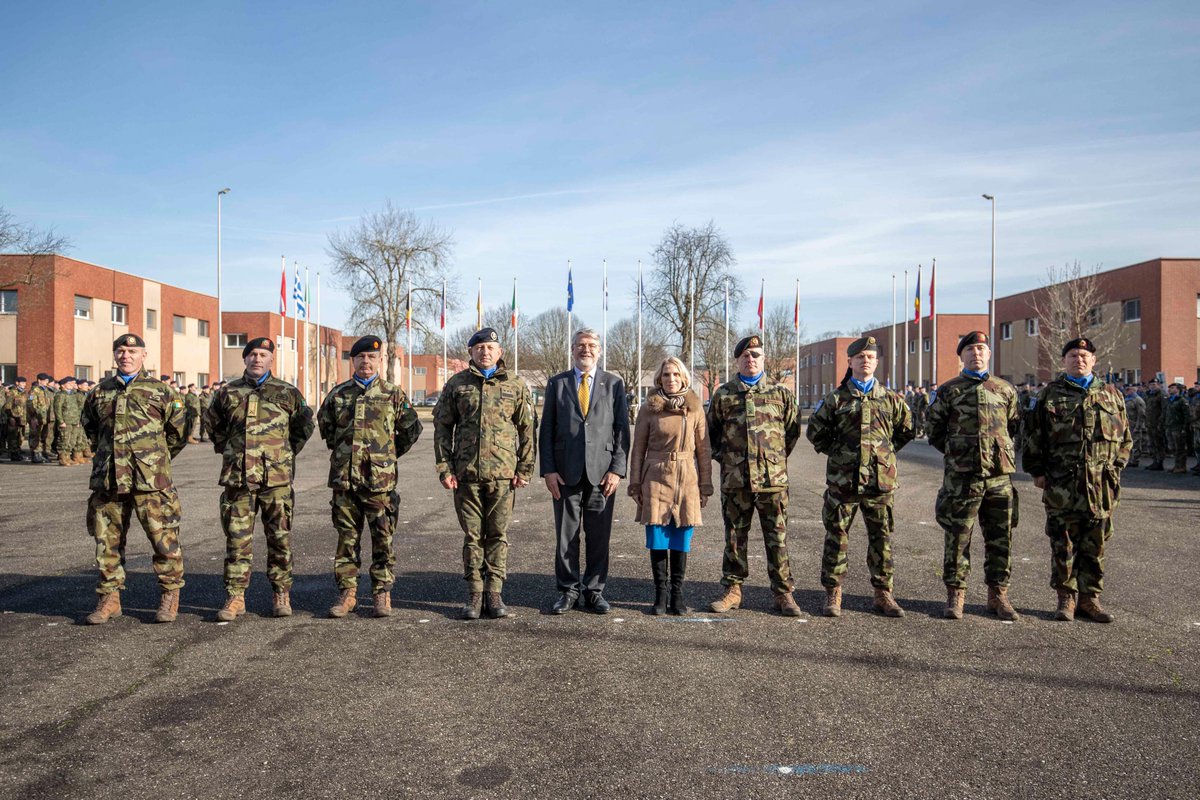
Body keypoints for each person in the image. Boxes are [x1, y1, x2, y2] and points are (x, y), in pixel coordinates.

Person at [82, 334, 189, 624]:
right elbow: (91, 429)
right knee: (107, 542)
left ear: (144, 355)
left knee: (163, 540)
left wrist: (154, 461)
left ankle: (169, 594)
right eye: (120, 350)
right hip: (109, 480)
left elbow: (177, 434)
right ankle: (109, 598)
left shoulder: (161, 391)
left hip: (150, 482)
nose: (125, 355)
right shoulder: (99, 392)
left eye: (132, 350)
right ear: (115, 355)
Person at [205, 337, 314, 621]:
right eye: (252, 354)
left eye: (263, 354)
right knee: (237, 540)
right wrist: (230, 451)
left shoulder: (287, 392)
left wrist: (284, 454)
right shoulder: (227, 393)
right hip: (238, 478)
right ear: (245, 359)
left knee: (279, 538)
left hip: (275, 480)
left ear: (271, 359)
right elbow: (214, 427)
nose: (257, 358)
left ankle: (281, 593)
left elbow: (303, 427)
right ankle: (235, 596)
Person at [1023, 337, 1131, 623]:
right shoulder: (1050, 395)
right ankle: (1066, 599)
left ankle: (1090, 599)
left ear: (1094, 360)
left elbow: (1126, 440)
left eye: (1084, 355)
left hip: (1101, 487)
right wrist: (1038, 472)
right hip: (1063, 485)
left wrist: (1115, 469)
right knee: (1064, 544)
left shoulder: (1111, 395)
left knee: (1095, 545)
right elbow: (1033, 436)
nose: (1079, 359)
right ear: (1064, 361)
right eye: (1073, 355)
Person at [807, 336, 914, 618]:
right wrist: (840, 455)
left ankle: (883, 593)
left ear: (876, 362)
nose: (865, 361)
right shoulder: (835, 399)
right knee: (837, 537)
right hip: (844, 484)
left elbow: (906, 430)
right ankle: (833, 593)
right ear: (850, 362)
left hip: (880, 483)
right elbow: (815, 433)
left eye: (870, 357)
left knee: (881, 538)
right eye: (860, 357)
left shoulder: (891, 399)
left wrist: (885, 455)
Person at [433, 328, 535, 620]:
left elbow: (527, 430)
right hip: (466, 474)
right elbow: (442, 428)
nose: (485, 352)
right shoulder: (457, 384)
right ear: (471, 353)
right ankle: (475, 594)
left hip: (503, 475)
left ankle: (495, 592)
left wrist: (525, 468)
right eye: (479, 347)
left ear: (500, 351)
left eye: (490, 347)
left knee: (498, 534)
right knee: (473, 536)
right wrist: (444, 468)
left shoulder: (515, 384)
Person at [317, 335, 422, 619]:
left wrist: (387, 456)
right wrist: (344, 454)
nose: (366, 361)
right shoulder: (338, 395)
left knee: (383, 540)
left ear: (380, 361)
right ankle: (347, 593)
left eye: (372, 357)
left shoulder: (393, 394)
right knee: (346, 540)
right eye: (361, 357)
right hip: (344, 481)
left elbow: (412, 430)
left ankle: (381, 594)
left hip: (380, 484)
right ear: (353, 361)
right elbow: (326, 428)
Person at [926, 332, 1020, 621]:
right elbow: (935, 431)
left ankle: (998, 595)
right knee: (957, 538)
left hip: (998, 477)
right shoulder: (949, 390)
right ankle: (956, 595)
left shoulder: (1005, 390)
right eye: (969, 349)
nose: (975, 353)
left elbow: (1013, 426)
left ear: (989, 354)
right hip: (962, 477)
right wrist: (960, 453)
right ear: (961, 356)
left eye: (981, 348)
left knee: (1000, 538)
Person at [707, 335, 803, 617]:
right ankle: (733, 590)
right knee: (735, 537)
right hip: (736, 481)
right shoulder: (724, 395)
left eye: (756, 355)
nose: (751, 359)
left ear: (764, 359)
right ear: (737, 360)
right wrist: (727, 461)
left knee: (777, 537)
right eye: (746, 356)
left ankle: (783, 593)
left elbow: (792, 432)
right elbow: (710, 436)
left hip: (773, 481)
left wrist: (773, 461)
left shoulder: (780, 393)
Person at [539, 328, 630, 615]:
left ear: (599, 351)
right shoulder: (557, 384)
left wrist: (617, 470)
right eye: (580, 345)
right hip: (565, 474)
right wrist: (549, 471)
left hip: (602, 475)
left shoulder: (614, 384)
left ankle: (594, 591)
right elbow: (547, 430)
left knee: (599, 535)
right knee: (566, 536)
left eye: (591, 345)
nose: (586, 350)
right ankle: (568, 590)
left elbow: (621, 432)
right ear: (572, 349)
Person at [628, 357, 712, 615]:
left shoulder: (695, 408)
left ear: (684, 378)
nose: (671, 379)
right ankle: (660, 594)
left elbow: (703, 449)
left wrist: (706, 484)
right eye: (666, 375)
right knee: (657, 538)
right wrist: (634, 483)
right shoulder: (648, 409)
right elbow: (638, 448)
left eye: (676, 374)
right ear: (659, 379)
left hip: (686, 478)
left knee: (681, 538)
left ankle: (677, 595)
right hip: (655, 476)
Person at [52, 375, 87, 465]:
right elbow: (58, 409)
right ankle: (63, 458)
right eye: (68, 383)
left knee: (72, 441)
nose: (71, 385)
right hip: (66, 421)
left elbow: (77, 408)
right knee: (64, 440)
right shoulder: (60, 395)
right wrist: (61, 421)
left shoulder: (72, 395)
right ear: (62, 385)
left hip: (75, 421)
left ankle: (68, 457)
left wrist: (78, 421)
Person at [1143, 378, 1167, 470]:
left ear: (1159, 385)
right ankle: (1155, 461)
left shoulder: (1162, 395)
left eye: (1154, 384)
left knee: (1159, 443)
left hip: (1158, 423)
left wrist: (1160, 423)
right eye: (1151, 385)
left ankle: (1160, 462)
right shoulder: (1148, 395)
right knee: (1152, 443)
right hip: (1150, 423)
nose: (1152, 386)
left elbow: (1164, 410)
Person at [1165, 382, 1189, 474]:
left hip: (1178, 427)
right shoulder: (1170, 400)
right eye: (1169, 388)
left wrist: (1184, 428)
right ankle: (1176, 465)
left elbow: (1186, 415)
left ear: (1177, 389)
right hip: (1170, 426)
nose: (1170, 389)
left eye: (1172, 388)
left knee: (1180, 448)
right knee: (1173, 447)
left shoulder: (1182, 400)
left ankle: (1182, 466)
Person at [1122, 384, 1146, 468]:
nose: (1127, 391)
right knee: (1127, 443)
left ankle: (1135, 460)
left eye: (1128, 389)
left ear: (1133, 390)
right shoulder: (1126, 399)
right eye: (1126, 389)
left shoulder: (1138, 400)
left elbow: (1141, 414)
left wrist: (1138, 426)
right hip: (1127, 425)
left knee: (1135, 443)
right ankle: (1129, 459)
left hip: (1135, 425)